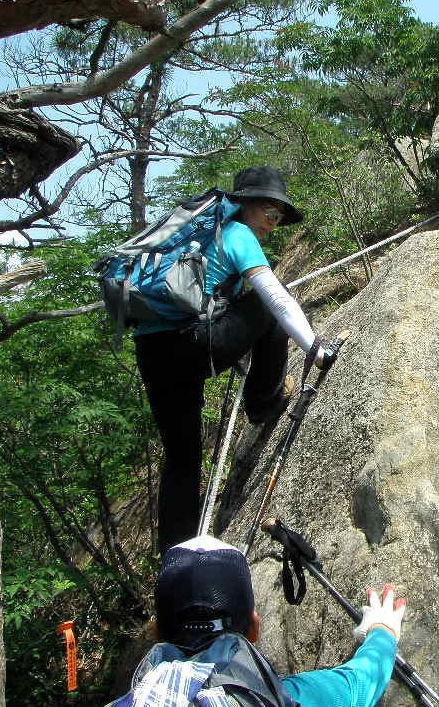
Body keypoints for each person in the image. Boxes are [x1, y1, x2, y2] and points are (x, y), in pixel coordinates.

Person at [134, 166, 326, 556]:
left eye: (279, 214)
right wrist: (315, 349)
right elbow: (275, 299)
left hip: (153, 352)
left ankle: (178, 558)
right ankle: (264, 401)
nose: (274, 220)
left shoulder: (205, 237)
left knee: (182, 461)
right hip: (192, 347)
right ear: (245, 205)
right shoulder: (238, 234)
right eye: (268, 210)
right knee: (267, 303)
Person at [101, 537, 407, 707]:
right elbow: (357, 684)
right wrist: (382, 631)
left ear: (156, 633)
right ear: (255, 629)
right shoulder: (279, 700)